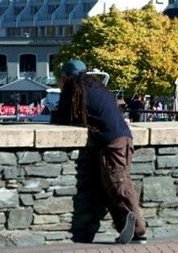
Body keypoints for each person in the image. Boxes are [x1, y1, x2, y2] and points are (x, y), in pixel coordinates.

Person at [51, 60, 146, 244]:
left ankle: (138, 230)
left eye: (62, 79)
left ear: (66, 77)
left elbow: (64, 116)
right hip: (123, 137)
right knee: (110, 186)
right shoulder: (97, 86)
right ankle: (128, 229)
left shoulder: (76, 89)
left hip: (113, 143)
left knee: (119, 184)